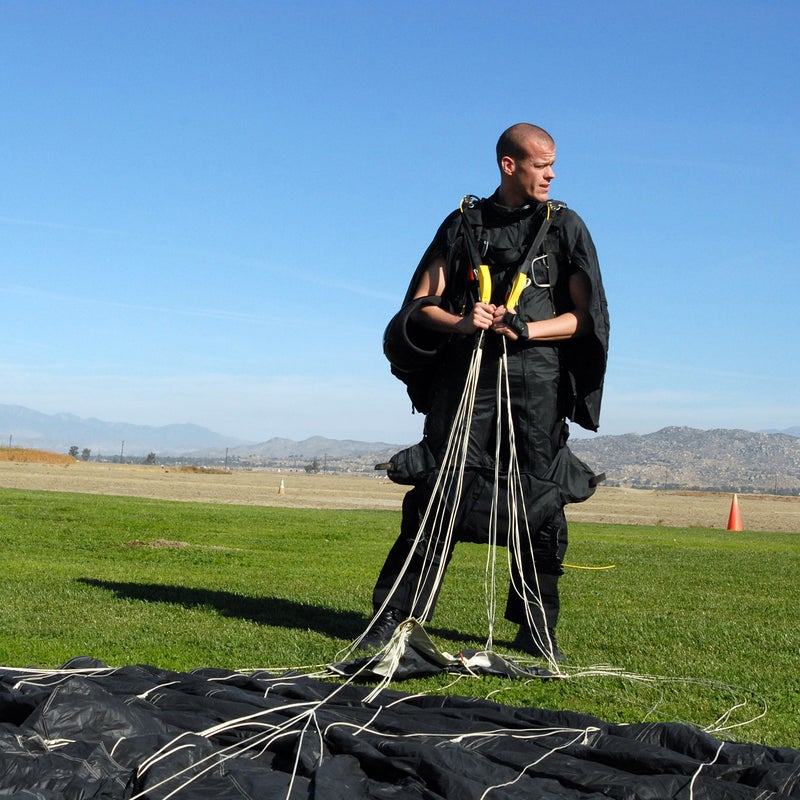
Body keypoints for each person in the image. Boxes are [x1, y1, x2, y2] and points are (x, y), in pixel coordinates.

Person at [363, 123, 609, 661]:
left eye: (553, 164)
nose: (551, 173)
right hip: (466, 387)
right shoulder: (463, 224)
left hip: (535, 388)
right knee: (439, 493)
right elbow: (419, 305)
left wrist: (528, 328)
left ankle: (538, 631)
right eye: (541, 163)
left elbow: (584, 319)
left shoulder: (565, 227)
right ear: (509, 165)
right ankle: (394, 623)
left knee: (540, 498)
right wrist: (460, 321)